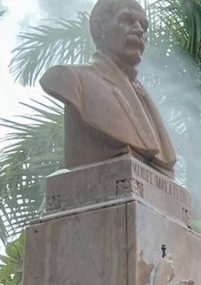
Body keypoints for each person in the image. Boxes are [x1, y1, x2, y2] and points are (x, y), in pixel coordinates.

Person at [40, 0, 177, 173]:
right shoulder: (72, 79)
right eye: (128, 20)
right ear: (98, 28)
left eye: (143, 25)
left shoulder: (142, 95)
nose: (139, 30)